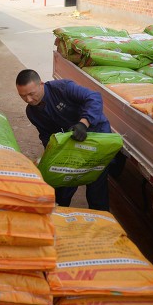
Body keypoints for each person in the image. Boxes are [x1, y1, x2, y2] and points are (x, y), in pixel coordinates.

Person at [15, 69, 112, 211]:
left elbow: (94, 97)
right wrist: (51, 154)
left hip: (95, 135)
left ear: (41, 84)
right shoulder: (32, 112)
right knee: (63, 182)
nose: (28, 100)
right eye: (23, 96)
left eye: (31, 94)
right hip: (72, 141)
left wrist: (83, 123)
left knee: (96, 184)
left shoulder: (63, 88)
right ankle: (59, 214)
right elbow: (46, 135)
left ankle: (100, 215)